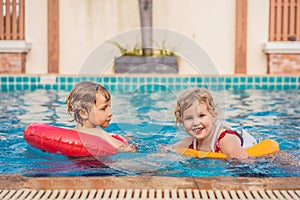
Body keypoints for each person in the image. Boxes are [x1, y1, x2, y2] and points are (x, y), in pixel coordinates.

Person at [169, 88, 257, 159]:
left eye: (201, 115)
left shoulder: (225, 140)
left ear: (213, 116)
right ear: (181, 121)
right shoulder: (189, 142)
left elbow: (243, 162)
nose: (196, 123)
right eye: (189, 118)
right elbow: (168, 149)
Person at [66, 81, 138, 153]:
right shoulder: (99, 133)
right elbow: (122, 148)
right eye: (103, 108)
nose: (110, 113)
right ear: (83, 113)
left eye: (109, 107)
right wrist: (133, 147)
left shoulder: (73, 132)